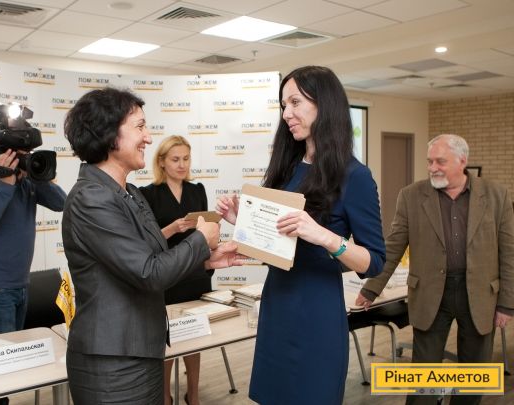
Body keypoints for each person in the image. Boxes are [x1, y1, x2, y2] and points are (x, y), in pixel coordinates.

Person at [61, 87, 243, 405]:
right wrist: (201, 239)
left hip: (141, 352)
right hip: (112, 366)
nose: (148, 137)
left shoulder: (129, 193)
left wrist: (206, 260)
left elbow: (154, 261)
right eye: (140, 126)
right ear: (109, 134)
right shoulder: (92, 197)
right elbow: (149, 273)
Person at [217, 65, 386, 404]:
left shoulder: (355, 176)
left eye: (295, 102)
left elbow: (374, 262)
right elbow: (280, 242)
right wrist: (245, 223)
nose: (286, 114)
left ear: (325, 104)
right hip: (277, 303)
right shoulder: (287, 166)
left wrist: (323, 236)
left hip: (316, 311)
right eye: (283, 105)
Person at [356, 134, 514, 405]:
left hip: (480, 294)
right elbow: (393, 247)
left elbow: (508, 252)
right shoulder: (411, 195)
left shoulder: (496, 195)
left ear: (462, 161)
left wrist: (507, 304)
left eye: (440, 161)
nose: (432, 168)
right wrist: (371, 288)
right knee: (423, 376)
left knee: (474, 374)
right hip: (430, 294)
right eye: (429, 161)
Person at [0, 149, 66, 405]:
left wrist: (37, 175)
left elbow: (61, 202)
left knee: (7, 368)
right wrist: (5, 183)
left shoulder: (28, 182)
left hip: (18, 285)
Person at [140, 135, 212, 405]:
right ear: (161, 161)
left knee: (195, 336)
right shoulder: (148, 194)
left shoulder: (197, 190)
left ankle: (193, 395)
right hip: (166, 275)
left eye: (186, 159)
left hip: (195, 275)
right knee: (167, 340)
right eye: (175, 159)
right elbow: (145, 242)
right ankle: (165, 398)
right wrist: (172, 228)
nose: (182, 165)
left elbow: (206, 233)